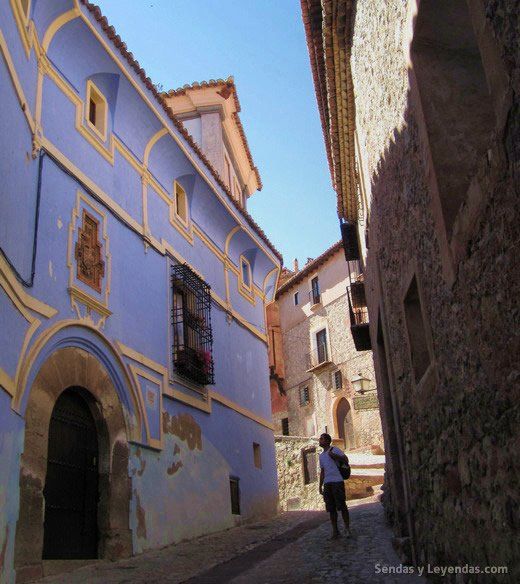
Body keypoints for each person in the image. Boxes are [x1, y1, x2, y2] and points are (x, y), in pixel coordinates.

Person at [318, 433, 350, 539]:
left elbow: (346, 460)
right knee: (331, 508)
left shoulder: (334, 450)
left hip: (337, 481)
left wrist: (334, 456)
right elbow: (322, 471)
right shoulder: (321, 456)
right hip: (327, 483)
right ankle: (335, 531)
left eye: (321, 439)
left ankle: (347, 528)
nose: (319, 440)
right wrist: (320, 485)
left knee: (342, 506)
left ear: (327, 441)